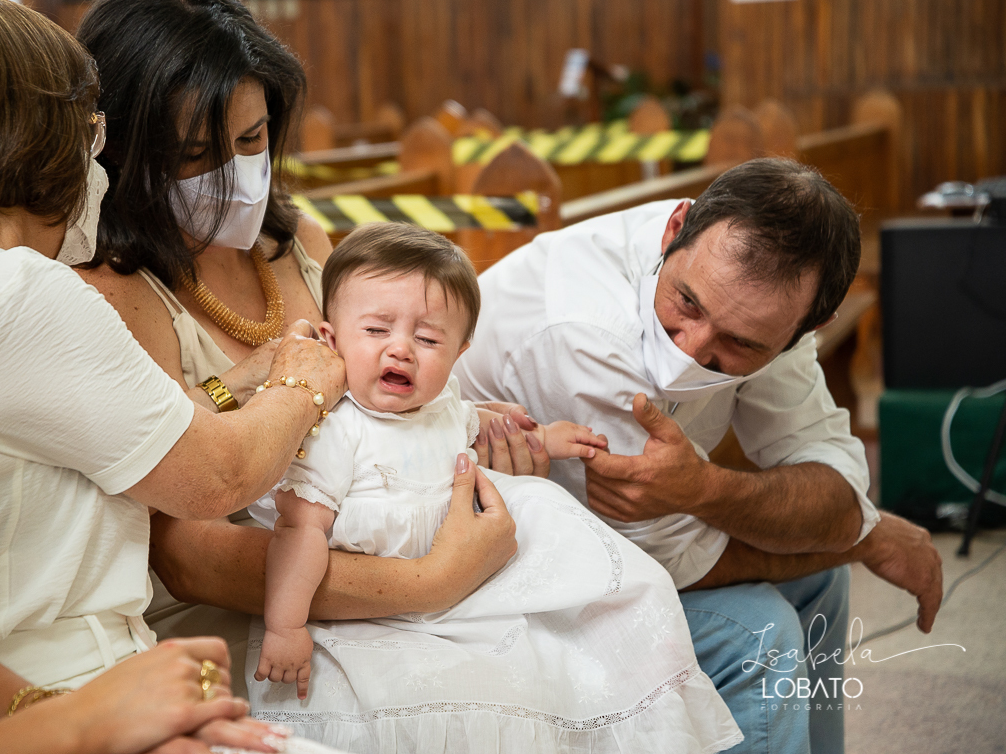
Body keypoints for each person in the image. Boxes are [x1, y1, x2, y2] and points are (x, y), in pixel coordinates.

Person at [0, 0, 345, 754]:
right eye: (90, 134)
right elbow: (213, 479)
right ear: (43, 136)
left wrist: (236, 386)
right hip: (66, 681)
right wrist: (306, 378)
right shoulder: (14, 288)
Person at [76, 0, 528, 687]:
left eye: (252, 137)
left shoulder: (299, 240)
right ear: (123, 150)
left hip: (373, 554)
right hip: (239, 622)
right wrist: (426, 579)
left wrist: (445, 425)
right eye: (195, 155)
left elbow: (382, 389)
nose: (233, 177)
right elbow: (187, 554)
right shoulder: (114, 289)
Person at [453, 158, 945, 754]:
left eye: (740, 343)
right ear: (674, 229)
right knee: (760, 633)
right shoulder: (584, 336)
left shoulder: (758, 291)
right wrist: (867, 537)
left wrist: (707, 490)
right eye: (685, 303)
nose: (688, 353)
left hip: (595, 535)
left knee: (823, 577)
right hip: (480, 554)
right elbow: (672, 564)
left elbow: (829, 473)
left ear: (808, 326)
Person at [239, 223, 742, 754]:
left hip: (466, 586)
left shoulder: (441, 407)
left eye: (428, 339)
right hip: (369, 611)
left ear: (459, 351)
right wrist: (286, 625)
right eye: (376, 331)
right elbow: (299, 532)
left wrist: (551, 437)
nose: (402, 349)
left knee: (561, 652)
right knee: (443, 701)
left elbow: (474, 426)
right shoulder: (333, 431)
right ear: (330, 338)